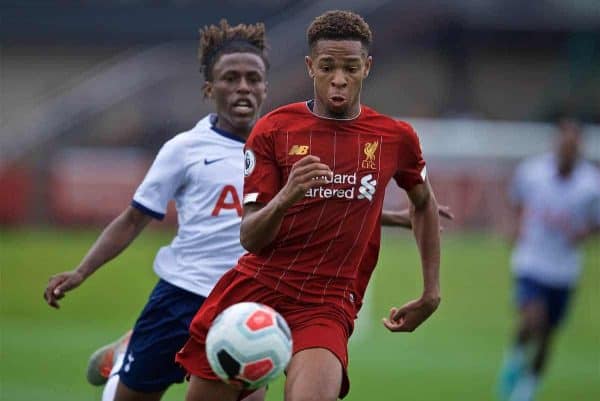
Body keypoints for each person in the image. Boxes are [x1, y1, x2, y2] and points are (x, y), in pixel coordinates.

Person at [176, 10, 442, 401]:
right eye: (327, 67)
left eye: (350, 67)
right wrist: (286, 196)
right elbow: (250, 236)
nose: (339, 79)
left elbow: (424, 202)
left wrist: (431, 292)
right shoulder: (275, 130)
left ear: (366, 67)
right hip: (258, 289)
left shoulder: (394, 138)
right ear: (310, 67)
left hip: (326, 302)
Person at [43, 20, 271, 401]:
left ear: (265, 86)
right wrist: (82, 271)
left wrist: (390, 216)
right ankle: (126, 355)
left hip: (243, 306)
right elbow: (133, 219)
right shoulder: (184, 149)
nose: (243, 86)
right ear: (209, 89)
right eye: (230, 78)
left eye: (253, 77)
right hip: (182, 298)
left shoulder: (281, 149)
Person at [498, 119, 600, 401]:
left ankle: (528, 385)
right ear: (556, 145)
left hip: (564, 269)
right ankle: (516, 356)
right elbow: (514, 200)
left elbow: (596, 223)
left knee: (547, 335)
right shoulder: (533, 172)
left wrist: (585, 233)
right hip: (531, 260)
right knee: (534, 318)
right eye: (563, 145)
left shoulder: (591, 185)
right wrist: (512, 226)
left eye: (572, 147)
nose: (566, 151)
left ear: (579, 150)